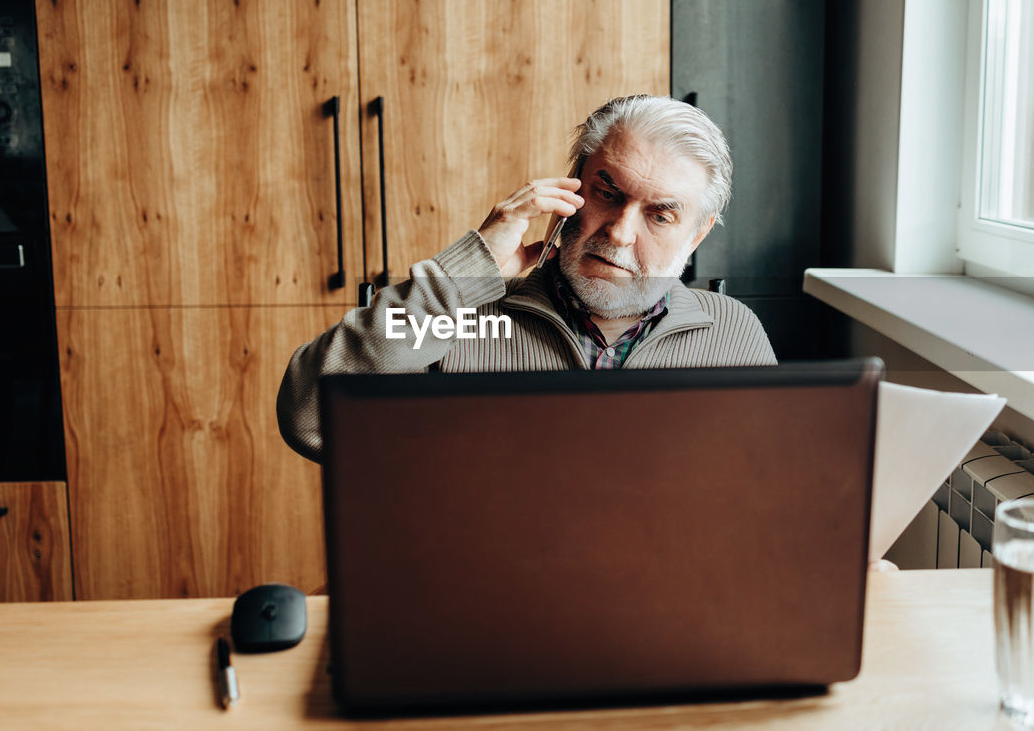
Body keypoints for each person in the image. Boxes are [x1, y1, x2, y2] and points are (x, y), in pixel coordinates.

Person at [277, 94, 776, 462]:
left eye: (660, 214)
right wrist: (463, 276)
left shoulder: (731, 334)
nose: (621, 233)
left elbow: (770, 491)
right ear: (569, 189)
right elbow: (310, 418)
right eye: (607, 192)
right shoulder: (469, 321)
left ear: (697, 234)